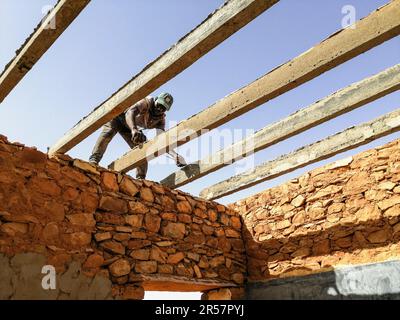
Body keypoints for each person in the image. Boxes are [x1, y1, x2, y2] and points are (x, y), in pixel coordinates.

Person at [89, 93, 186, 179]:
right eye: (159, 105)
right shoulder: (145, 102)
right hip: (120, 118)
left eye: (163, 108)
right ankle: (94, 161)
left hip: (130, 128)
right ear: (156, 100)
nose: (159, 109)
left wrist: (175, 156)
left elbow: (162, 140)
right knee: (108, 134)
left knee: (142, 149)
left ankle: (140, 178)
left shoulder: (160, 120)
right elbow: (130, 112)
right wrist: (134, 129)